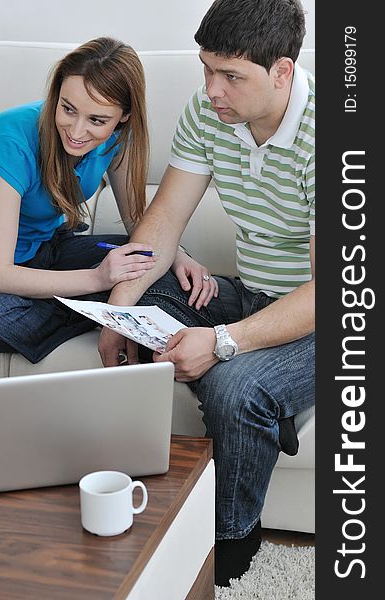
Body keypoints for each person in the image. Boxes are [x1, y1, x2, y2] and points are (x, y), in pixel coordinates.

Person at [97, 0, 315, 587]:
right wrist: (118, 310)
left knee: (233, 383)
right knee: (132, 291)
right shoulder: (208, 112)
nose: (212, 90)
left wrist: (220, 342)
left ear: (283, 71)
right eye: (206, 70)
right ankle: (272, 397)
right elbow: (164, 224)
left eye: (231, 77)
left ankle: (230, 546)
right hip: (252, 294)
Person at [0, 37, 213, 364]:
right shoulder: (12, 134)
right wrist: (98, 280)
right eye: (68, 109)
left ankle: (95, 309)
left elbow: (138, 222)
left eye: (97, 120)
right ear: (56, 95)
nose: (77, 131)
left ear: (124, 116)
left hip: (49, 250)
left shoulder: (120, 138)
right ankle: (100, 313)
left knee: (148, 268)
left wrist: (174, 254)